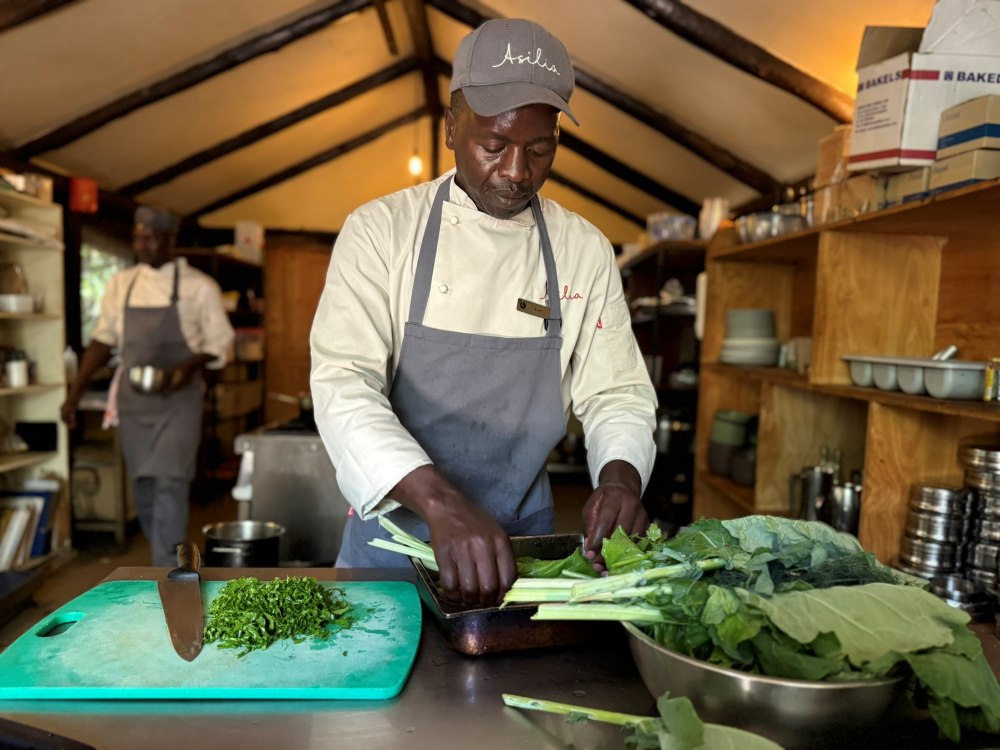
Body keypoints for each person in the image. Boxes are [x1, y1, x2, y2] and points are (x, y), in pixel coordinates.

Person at [310, 18, 657, 607]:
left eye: (540, 149)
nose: (517, 172)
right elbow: (345, 383)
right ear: (451, 128)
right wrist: (442, 506)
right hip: (391, 547)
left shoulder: (583, 250)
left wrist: (620, 476)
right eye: (494, 146)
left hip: (523, 553)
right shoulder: (381, 233)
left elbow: (616, 392)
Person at [61, 206, 235, 566]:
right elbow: (102, 341)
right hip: (134, 402)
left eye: (154, 238)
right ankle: (163, 563)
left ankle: (168, 572)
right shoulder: (122, 285)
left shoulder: (199, 287)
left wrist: (188, 367)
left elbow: (221, 345)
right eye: (139, 238)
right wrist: (74, 394)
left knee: (171, 481)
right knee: (144, 485)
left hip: (179, 402)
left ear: (172, 241)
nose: (145, 246)